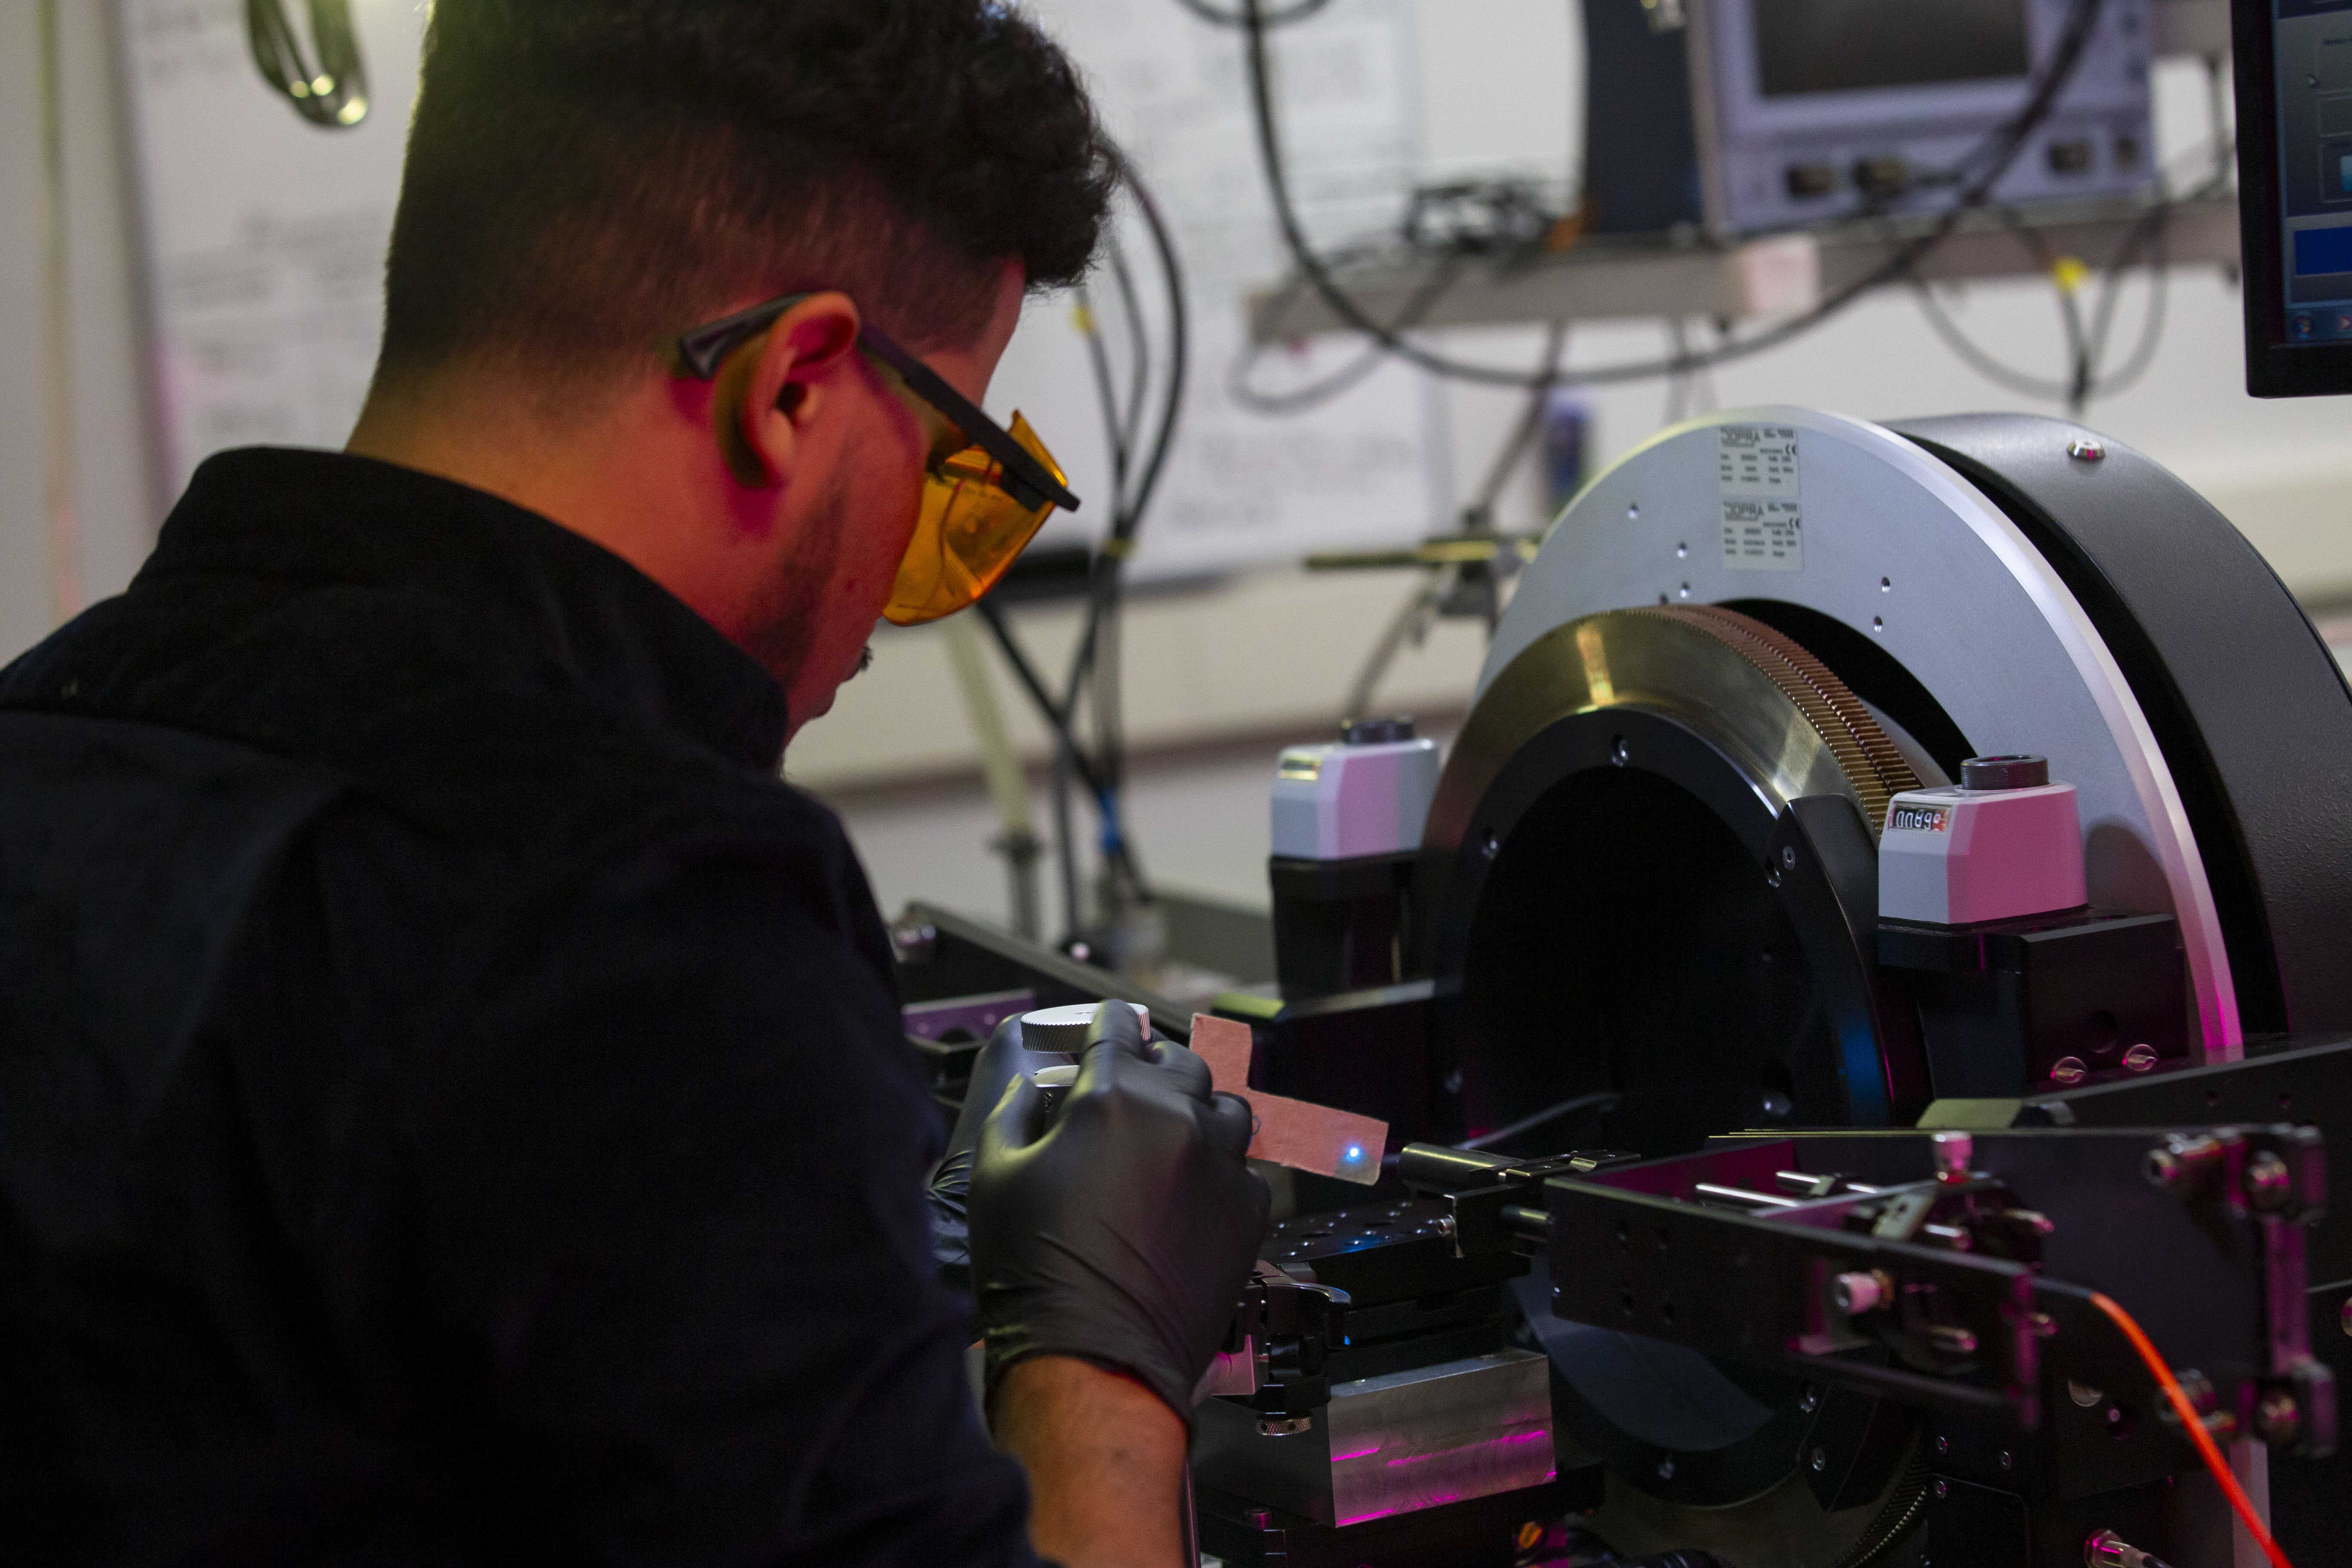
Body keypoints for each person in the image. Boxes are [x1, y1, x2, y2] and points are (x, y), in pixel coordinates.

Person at [0, 3, 1269, 1565]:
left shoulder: (46, 731)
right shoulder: (647, 924)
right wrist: (1101, 1363)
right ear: (793, 384)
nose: (890, 601)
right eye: (948, 476)